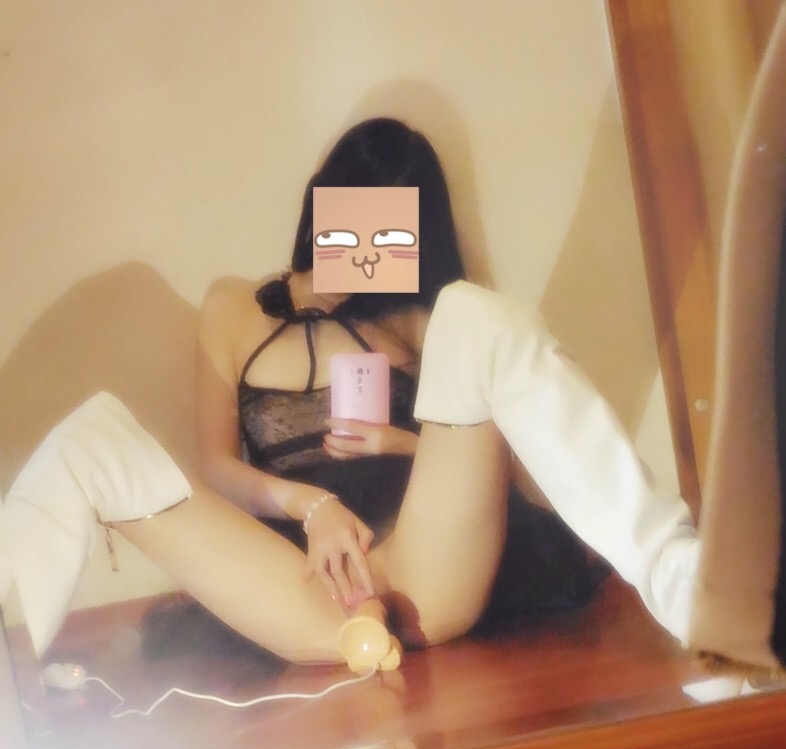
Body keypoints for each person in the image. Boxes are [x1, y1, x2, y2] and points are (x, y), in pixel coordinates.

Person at [1, 120, 699, 672]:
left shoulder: (417, 320)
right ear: (321, 210)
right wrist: (314, 506)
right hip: (304, 567)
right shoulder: (232, 306)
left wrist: (402, 442)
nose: (364, 252)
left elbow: (504, 472)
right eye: (352, 229)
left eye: (388, 237)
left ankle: (681, 577)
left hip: (420, 564)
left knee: (474, 311)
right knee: (95, 447)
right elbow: (216, 467)